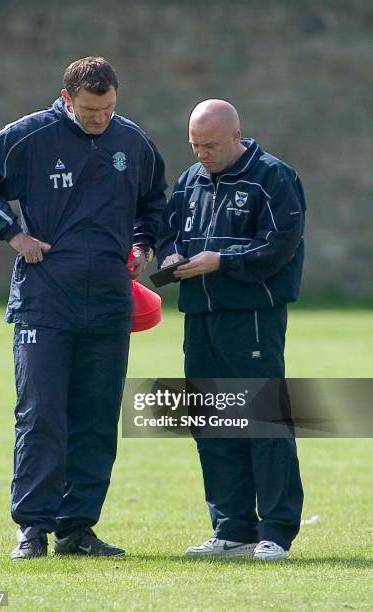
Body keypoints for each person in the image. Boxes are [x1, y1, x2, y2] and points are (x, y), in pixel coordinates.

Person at [0, 57, 166, 560]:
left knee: (95, 417)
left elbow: (154, 202)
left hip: (110, 303)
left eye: (110, 108)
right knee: (42, 414)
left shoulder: (132, 141)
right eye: (92, 110)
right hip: (45, 301)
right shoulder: (28, 137)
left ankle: (78, 528)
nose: (101, 119)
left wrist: (142, 245)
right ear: (67, 99)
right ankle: (32, 528)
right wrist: (13, 234)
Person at [157, 99, 305, 561]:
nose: (201, 153)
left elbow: (279, 246)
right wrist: (167, 257)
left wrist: (222, 261)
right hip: (199, 319)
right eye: (194, 145)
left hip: (252, 320)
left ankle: (275, 532)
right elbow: (168, 231)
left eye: (211, 145)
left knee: (263, 423)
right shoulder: (189, 181)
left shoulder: (274, 178)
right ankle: (231, 529)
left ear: (237, 136)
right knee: (211, 424)